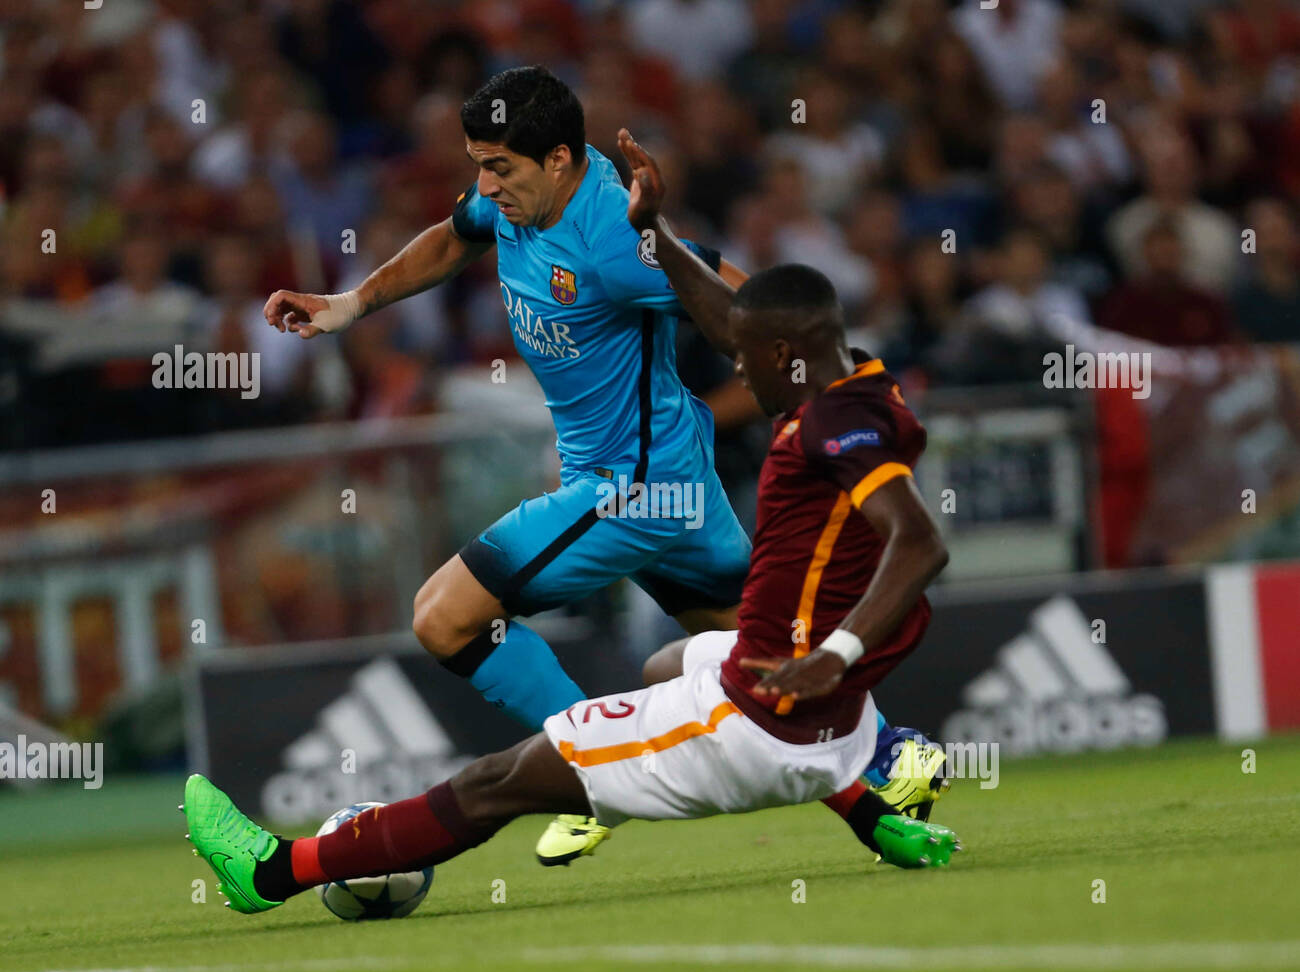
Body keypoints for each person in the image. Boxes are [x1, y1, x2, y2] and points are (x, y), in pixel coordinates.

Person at [185, 132, 960, 917]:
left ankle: (280, 870)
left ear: (557, 158)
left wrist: (840, 651)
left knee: (448, 632)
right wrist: (350, 304)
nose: (484, 184)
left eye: (499, 166)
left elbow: (743, 316)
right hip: (697, 519)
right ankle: (884, 776)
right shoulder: (860, 389)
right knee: (709, 660)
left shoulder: (622, 252)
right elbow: (455, 238)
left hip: (631, 491)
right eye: (478, 165)